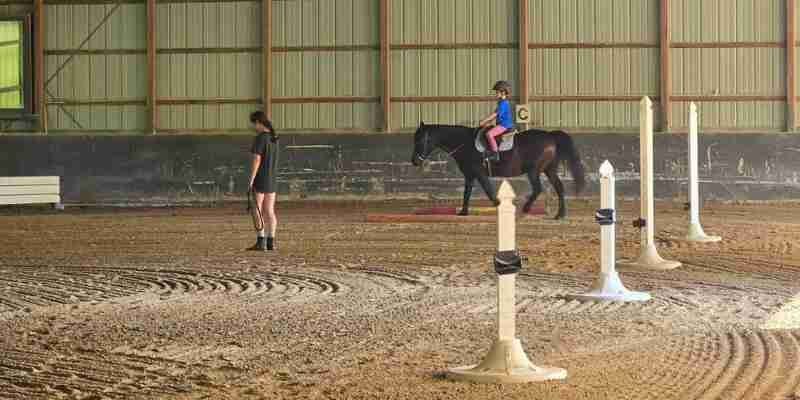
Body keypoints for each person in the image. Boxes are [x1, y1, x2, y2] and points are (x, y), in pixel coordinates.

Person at [247, 111, 280, 251]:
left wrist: (251, 179)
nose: (254, 127)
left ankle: (261, 241)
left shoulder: (260, 138)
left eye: (254, 124)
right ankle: (271, 241)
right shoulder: (274, 138)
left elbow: (257, 159)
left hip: (261, 177)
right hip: (272, 178)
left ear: (258, 123)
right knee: (270, 210)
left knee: (257, 209)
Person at [479, 80, 514, 161]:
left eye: (497, 92)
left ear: (503, 92)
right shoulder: (501, 102)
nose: (496, 94)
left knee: (489, 134)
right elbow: (497, 116)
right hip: (501, 124)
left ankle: (495, 154)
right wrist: (488, 122)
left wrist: (484, 121)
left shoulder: (503, 103)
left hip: (504, 125)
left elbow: (495, 114)